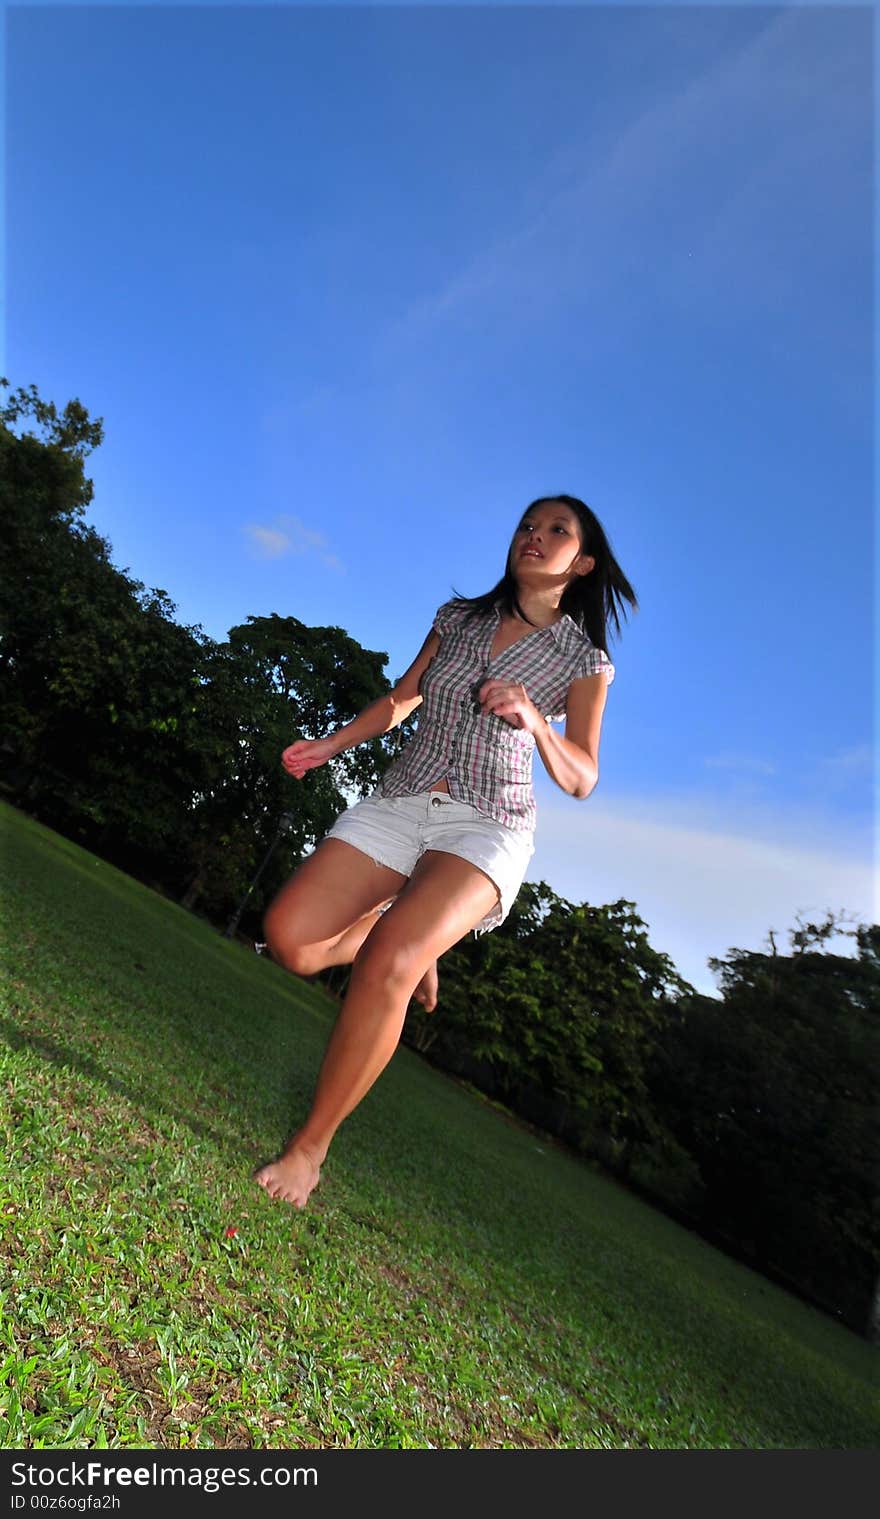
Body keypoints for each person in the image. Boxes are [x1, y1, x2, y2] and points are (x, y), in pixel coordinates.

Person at [255, 494, 637, 1208]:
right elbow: (403, 698)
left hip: (489, 822)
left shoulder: (583, 660)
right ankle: (416, 936)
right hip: (404, 798)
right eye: (528, 524)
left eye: (557, 531)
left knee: (389, 961)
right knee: (293, 940)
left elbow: (583, 774)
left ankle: (310, 1149)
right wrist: (333, 742)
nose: (535, 536)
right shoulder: (457, 619)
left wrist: (536, 720)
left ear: (582, 563)